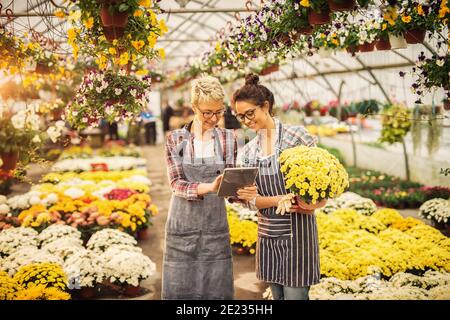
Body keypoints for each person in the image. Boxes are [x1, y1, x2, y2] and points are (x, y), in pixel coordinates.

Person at [232, 74, 327, 300]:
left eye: (249, 113)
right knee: (276, 296)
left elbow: (323, 183)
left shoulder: (297, 137)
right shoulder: (248, 152)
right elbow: (250, 201)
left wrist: (313, 203)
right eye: (240, 116)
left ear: (265, 106)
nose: (246, 120)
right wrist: (277, 199)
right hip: (268, 236)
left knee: (295, 296)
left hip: (298, 236)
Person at [162, 75, 237, 300]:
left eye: (219, 111)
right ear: (194, 107)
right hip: (182, 226)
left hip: (216, 226)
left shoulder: (228, 139)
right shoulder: (175, 139)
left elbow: (230, 184)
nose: (214, 118)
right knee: (180, 289)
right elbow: (176, 184)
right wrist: (208, 186)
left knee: (216, 291)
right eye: (207, 112)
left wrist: (241, 191)